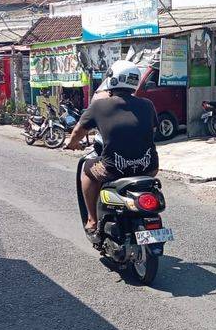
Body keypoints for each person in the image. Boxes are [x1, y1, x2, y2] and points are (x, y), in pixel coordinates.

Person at [65, 60, 159, 232]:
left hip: (114, 169)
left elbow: (78, 131)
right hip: (149, 167)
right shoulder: (147, 104)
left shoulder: (99, 105)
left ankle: (92, 219)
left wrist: (72, 144)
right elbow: (152, 130)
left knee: (86, 169)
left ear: (111, 79)